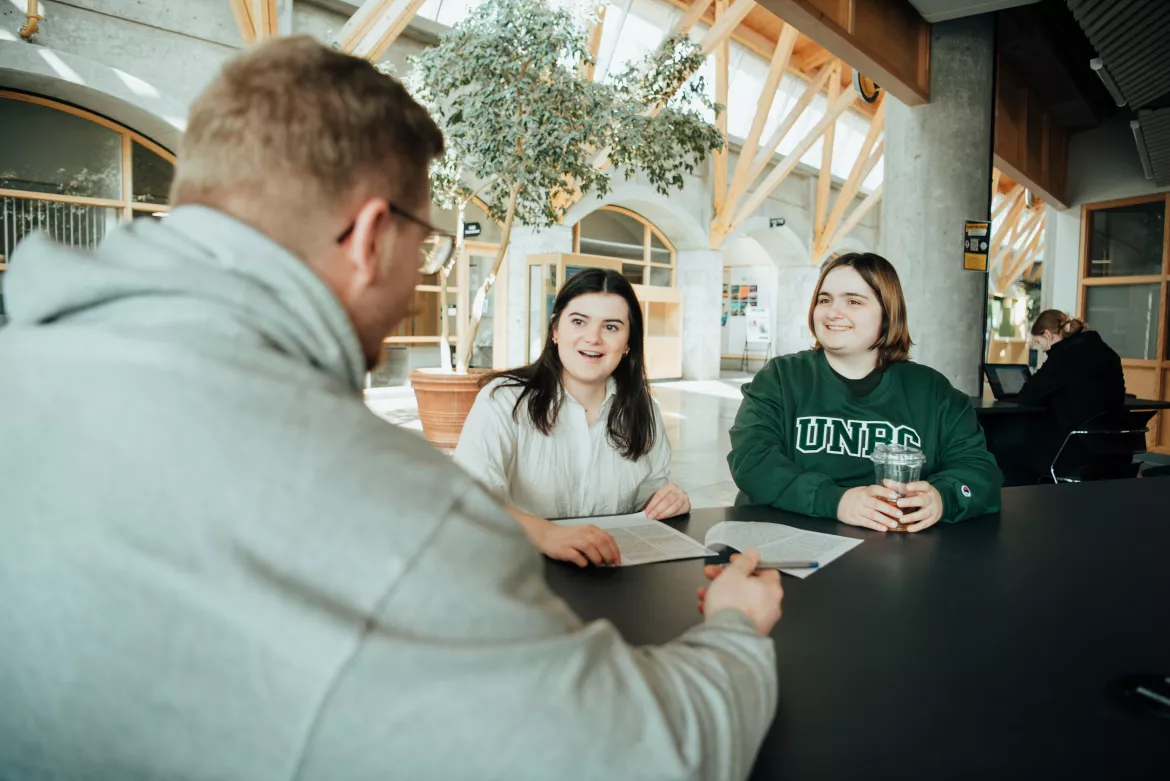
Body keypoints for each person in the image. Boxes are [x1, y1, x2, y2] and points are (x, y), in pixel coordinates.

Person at [0, 37, 784, 781]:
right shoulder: (394, 511)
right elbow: (643, 757)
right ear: (372, 236)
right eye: (428, 243)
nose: (420, 275)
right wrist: (737, 627)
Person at [728, 252, 1002, 533]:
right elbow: (752, 461)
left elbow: (980, 473)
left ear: (888, 313)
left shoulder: (933, 391)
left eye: (853, 301)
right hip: (787, 544)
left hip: (896, 556)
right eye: (825, 300)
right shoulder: (780, 378)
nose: (833, 312)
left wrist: (943, 498)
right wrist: (836, 501)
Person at [455, 267, 690, 567]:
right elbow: (469, 500)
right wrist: (547, 535)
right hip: (522, 571)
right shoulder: (503, 400)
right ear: (556, 330)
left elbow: (646, 505)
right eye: (579, 321)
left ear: (628, 342)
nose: (593, 338)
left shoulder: (645, 410)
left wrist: (669, 502)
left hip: (611, 575)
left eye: (611, 327)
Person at [997, 310, 1125, 485]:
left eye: (1039, 342)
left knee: (1006, 449)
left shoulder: (1063, 356)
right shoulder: (1108, 353)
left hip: (1073, 453)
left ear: (1048, 334)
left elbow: (1027, 396)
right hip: (1112, 450)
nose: (1042, 350)